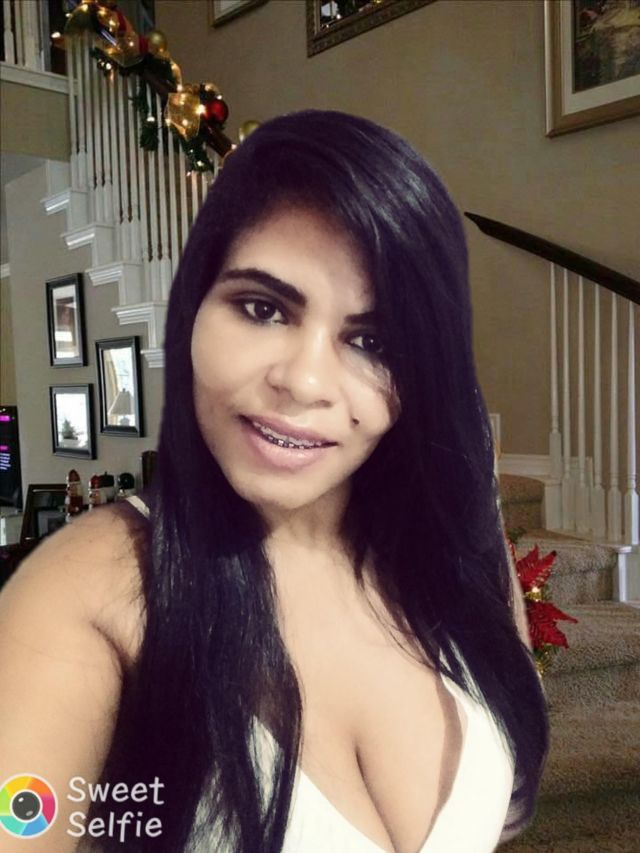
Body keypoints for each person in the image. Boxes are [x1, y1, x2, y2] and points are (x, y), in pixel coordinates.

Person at [0, 110, 547, 853]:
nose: (305, 381)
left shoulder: (455, 546)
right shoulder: (84, 595)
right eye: (262, 308)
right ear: (193, 309)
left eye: (372, 340)